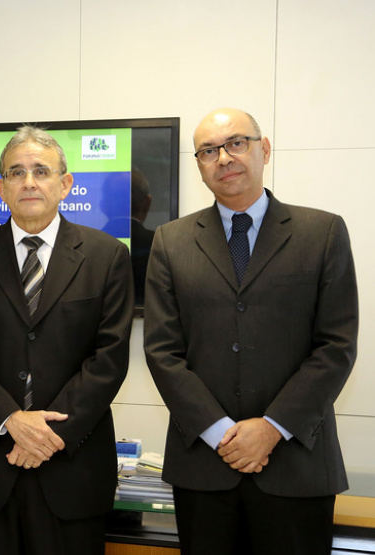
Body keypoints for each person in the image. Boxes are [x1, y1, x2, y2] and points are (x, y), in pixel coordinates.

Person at [144, 107, 358, 554]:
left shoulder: (322, 232)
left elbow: (336, 346)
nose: (223, 157)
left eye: (236, 143)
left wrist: (272, 428)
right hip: (204, 468)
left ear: (265, 149)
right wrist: (220, 431)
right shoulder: (171, 241)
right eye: (208, 151)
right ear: (199, 166)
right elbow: (162, 351)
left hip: (296, 466)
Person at [0, 125, 134, 554]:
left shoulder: (107, 256)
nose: (28, 182)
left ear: (65, 184)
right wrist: (11, 419)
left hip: (72, 470)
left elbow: (109, 358)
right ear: (1, 188)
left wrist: (44, 433)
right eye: (16, 172)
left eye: (41, 171)